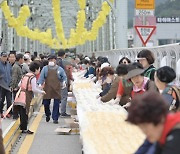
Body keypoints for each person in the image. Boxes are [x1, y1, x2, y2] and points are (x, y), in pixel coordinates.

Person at [14, 62, 45, 134]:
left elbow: (19, 84)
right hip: (26, 96)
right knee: (25, 112)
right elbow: (34, 89)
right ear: (36, 69)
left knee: (22, 112)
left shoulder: (25, 75)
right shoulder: (32, 77)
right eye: (39, 69)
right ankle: (24, 128)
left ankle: (22, 127)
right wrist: (41, 91)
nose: (39, 71)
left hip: (20, 94)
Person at [38, 55, 67, 123]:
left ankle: (55, 118)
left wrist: (64, 82)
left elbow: (64, 77)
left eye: (53, 60)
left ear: (55, 60)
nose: (51, 61)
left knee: (56, 103)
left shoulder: (60, 69)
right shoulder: (45, 68)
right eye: (50, 60)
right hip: (47, 88)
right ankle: (47, 114)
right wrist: (39, 84)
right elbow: (41, 77)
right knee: (46, 103)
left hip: (57, 88)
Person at [10, 53, 24, 119]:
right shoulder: (16, 67)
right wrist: (14, 86)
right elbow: (14, 77)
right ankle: (15, 115)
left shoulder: (18, 66)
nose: (23, 60)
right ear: (20, 59)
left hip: (19, 87)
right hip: (16, 87)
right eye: (23, 58)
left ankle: (16, 114)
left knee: (17, 101)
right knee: (15, 101)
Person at [0, 52, 12, 118]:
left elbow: (11, 73)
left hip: (8, 85)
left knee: (9, 100)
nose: (5, 58)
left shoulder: (8, 64)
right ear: (0, 57)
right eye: (3, 56)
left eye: (6, 56)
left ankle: (8, 112)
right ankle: (1, 112)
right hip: (1, 85)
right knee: (1, 100)